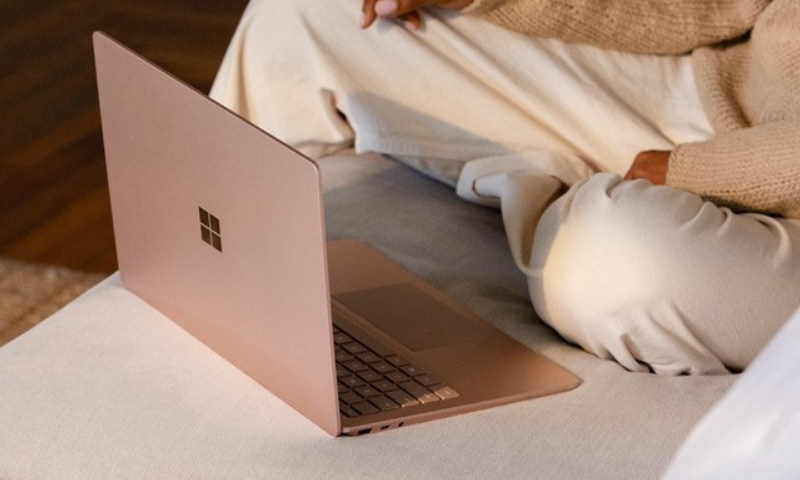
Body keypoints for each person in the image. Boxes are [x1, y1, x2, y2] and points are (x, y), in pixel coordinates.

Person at [210, 0, 800, 375]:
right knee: (301, 17)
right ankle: (205, 286)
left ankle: (571, 210)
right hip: (725, 89)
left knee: (608, 262)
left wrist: (699, 174)